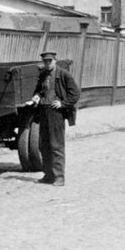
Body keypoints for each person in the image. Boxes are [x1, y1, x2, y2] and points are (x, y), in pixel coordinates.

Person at [28, 51, 80, 187]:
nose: (47, 63)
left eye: (49, 61)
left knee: (56, 145)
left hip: (56, 113)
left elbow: (75, 93)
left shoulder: (63, 74)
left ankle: (59, 177)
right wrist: (37, 96)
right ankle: (48, 175)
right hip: (43, 112)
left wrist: (63, 104)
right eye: (45, 61)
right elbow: (39, 90)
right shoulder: (43, 74)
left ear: (55, 60)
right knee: (43, 145)